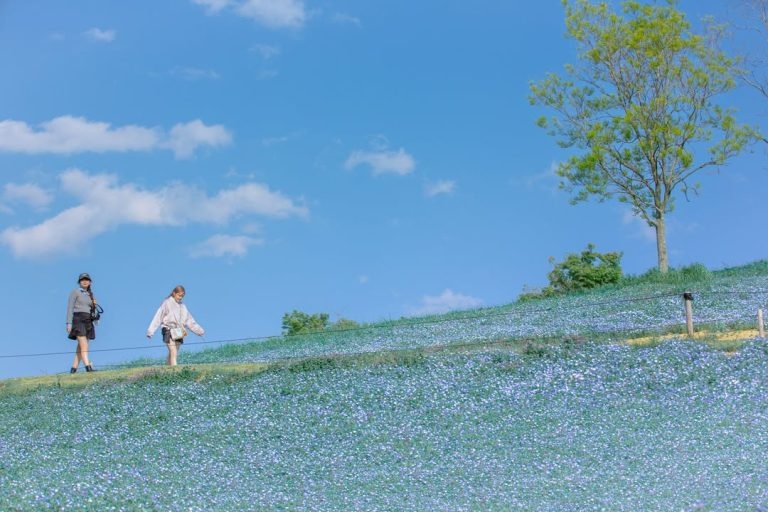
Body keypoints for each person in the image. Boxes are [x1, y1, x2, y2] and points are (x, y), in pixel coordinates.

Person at [146, 285, 205, 366]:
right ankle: (175, 369)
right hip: (168, 329)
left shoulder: (183, 307)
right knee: (173, 350)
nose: (181, 298)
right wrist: (150, 331)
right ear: (174, 293)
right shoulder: (167, 303)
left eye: (182, 296)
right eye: (179, 295)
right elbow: (158, 316)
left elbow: (189, 321)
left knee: (174, 352)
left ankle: (168, 369)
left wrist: (199, 331)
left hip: (179, 331)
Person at [66, 273, 98, 373]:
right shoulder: (75, 292)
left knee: (81, 347)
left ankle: (73, 369)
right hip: (78, 319)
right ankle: (88, 367)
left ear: (90, 282)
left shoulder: (90, 295)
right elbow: (70, 307)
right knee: (84, 346)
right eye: (82, 280)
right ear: (79, 282)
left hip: (88, 321)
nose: (84, 281)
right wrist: (68, 323)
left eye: (86, 280)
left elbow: (93, 310)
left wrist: (94, 305)